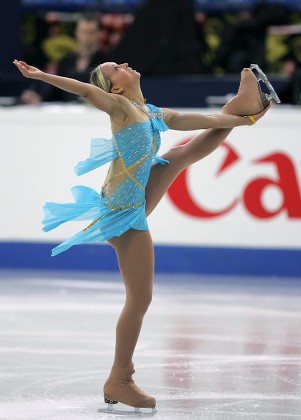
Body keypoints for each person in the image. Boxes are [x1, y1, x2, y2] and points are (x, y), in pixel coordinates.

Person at [13, 58, 275, 414]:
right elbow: (88, 90)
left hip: (134, 195)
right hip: (122, 214)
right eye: (114, 69)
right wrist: (42, 76)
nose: (123, 64)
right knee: (140, 299)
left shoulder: (152, 112)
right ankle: (120, 378)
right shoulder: (119, 106)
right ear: (116, 88)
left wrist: (243, 119)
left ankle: (241, 105)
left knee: (180, 154)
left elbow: (207, 122)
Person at [21, 14, 110, 104]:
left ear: (99, 34)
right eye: (83, 32)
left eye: (91, 32)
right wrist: (38, 98)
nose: (87, 37)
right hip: (68, 114)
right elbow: (56, 93)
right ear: (77, 32)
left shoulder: (107, 62)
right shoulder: (66, 61)